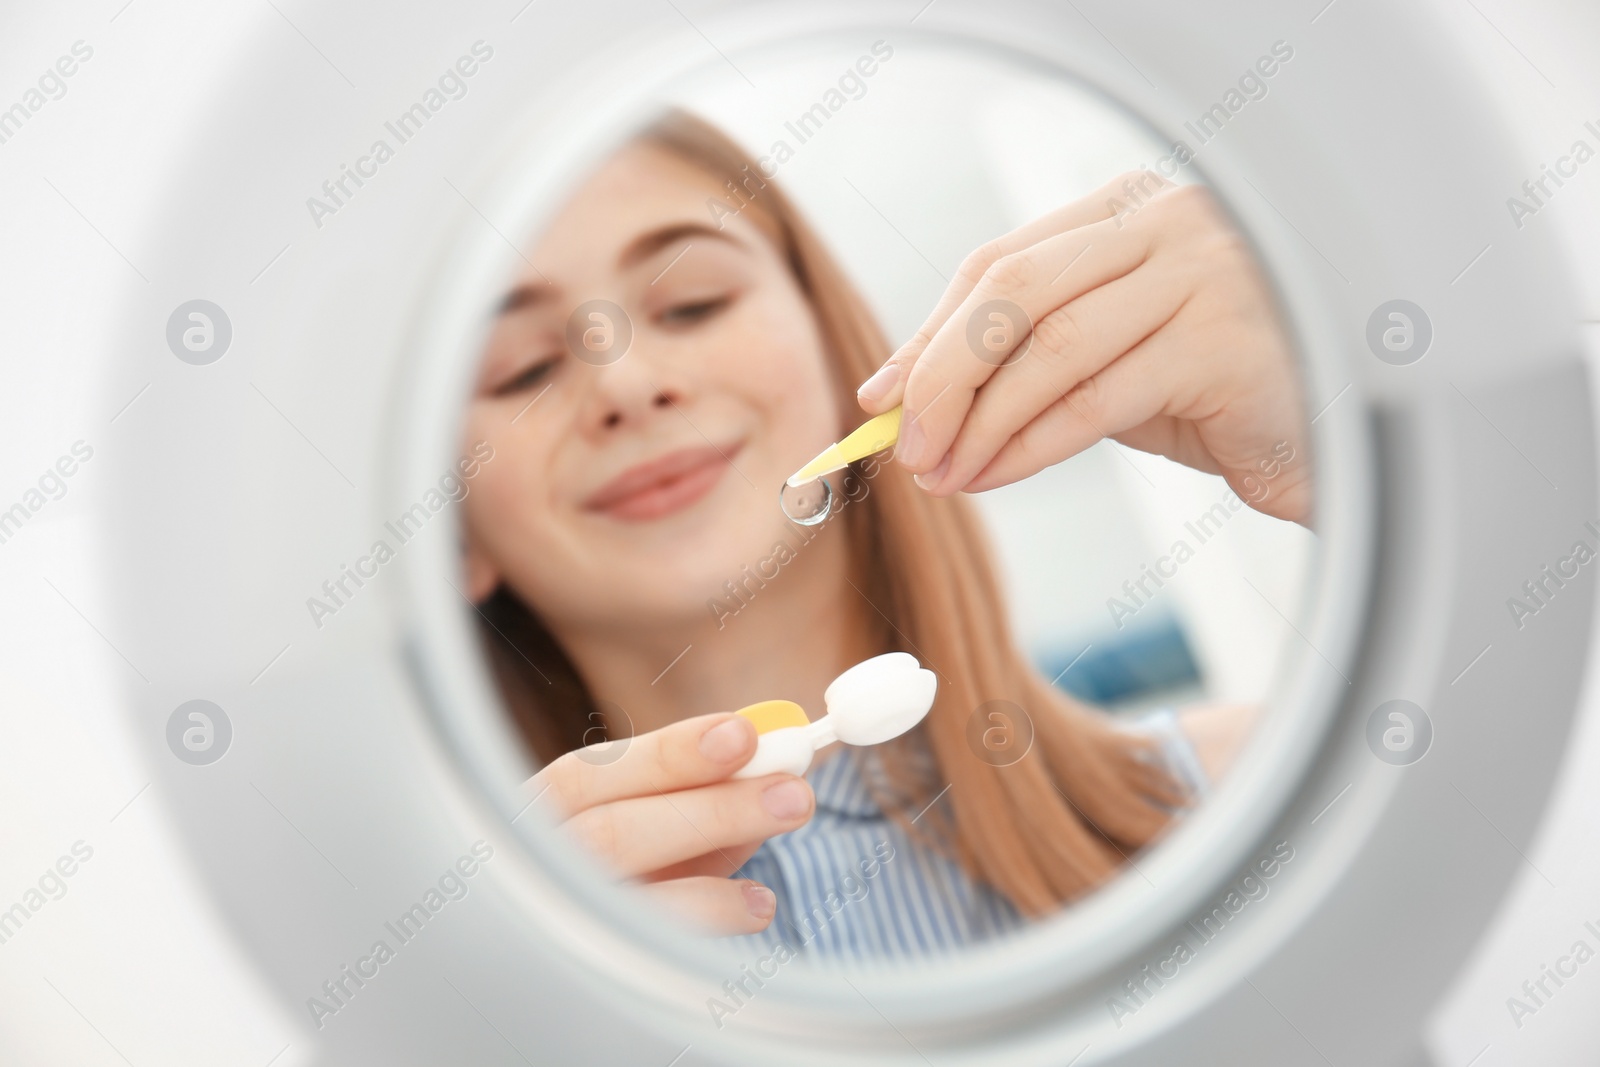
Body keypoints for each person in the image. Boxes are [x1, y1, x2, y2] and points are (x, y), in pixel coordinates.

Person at [458, 111, 1308, 959]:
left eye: (693, 302)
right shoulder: (481, 977)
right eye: (520, 369)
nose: (629, 383)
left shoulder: (1269, 808)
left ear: (838, 352)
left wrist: (1336, 453)